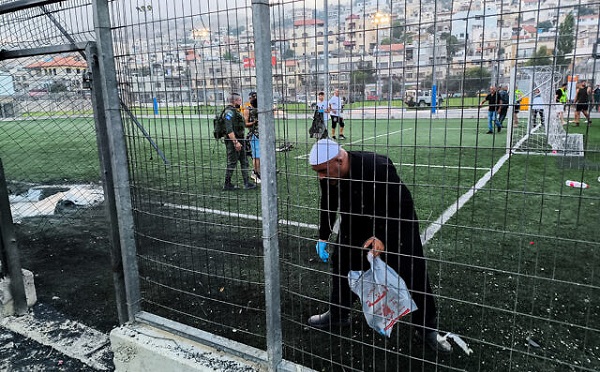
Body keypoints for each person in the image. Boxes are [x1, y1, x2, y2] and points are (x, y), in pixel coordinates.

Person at [307, 139, 452, 354]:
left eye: (322, 171)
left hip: (395, 223)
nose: (320, 176)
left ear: (339, 159)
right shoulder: (329, 173)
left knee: (412, 272)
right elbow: (328, 202)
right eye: (317, 172)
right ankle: (338, 315)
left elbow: (402, 206)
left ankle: (426, 328)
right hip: (356, 222)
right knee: (342, 263)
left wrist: (382, 237)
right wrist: (323, 236)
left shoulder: (378, 167)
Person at [222, 93, 257, 191]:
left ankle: (246, 183)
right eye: (240, 100)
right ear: (235, 101)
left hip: (241, 140)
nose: (241, 102)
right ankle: (227, 184)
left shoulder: (235, 111)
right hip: (234, 141)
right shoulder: (229, 112)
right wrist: (235, 142)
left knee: (244, 161)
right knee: (232, 162)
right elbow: (229, 130)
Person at [244, 92, 260, 184]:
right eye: (252, 97)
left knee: (261, 156)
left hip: (262, 135)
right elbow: (245, 124)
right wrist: (254, 122)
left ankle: (259, 172)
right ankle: (255, 173)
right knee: (256, 156)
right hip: (254, 134)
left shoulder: (260, 108)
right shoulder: (248, 109)